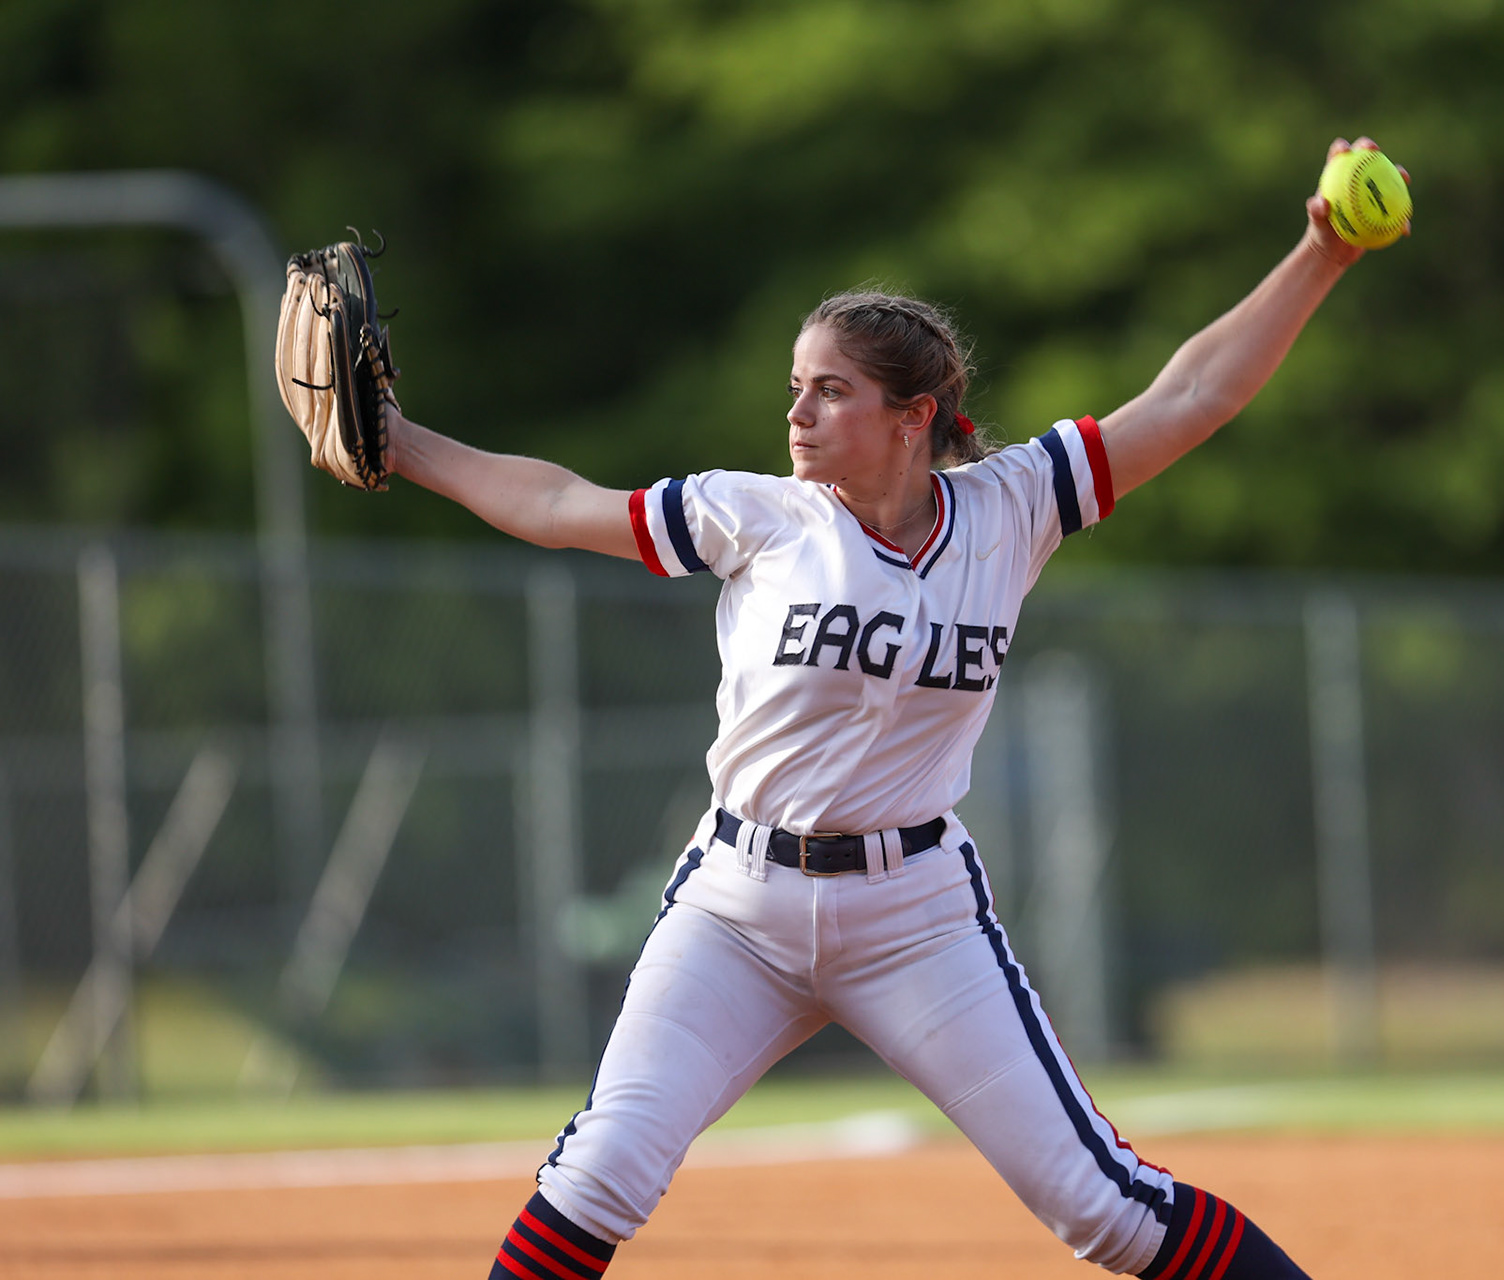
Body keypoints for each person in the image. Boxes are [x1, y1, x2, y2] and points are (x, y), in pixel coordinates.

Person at [388, 138, 1405, 1280]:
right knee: (600, 1170)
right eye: (797, 387)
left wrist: (1321, 251)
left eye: (832, 389)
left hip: (916, 912)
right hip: (738, 904)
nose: (801, 412)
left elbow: (1194, 392)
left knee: (1104, 1203)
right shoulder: (760, 516)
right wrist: (402, 442)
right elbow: (559, 501)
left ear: (913, 414)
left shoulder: (1016, 506)